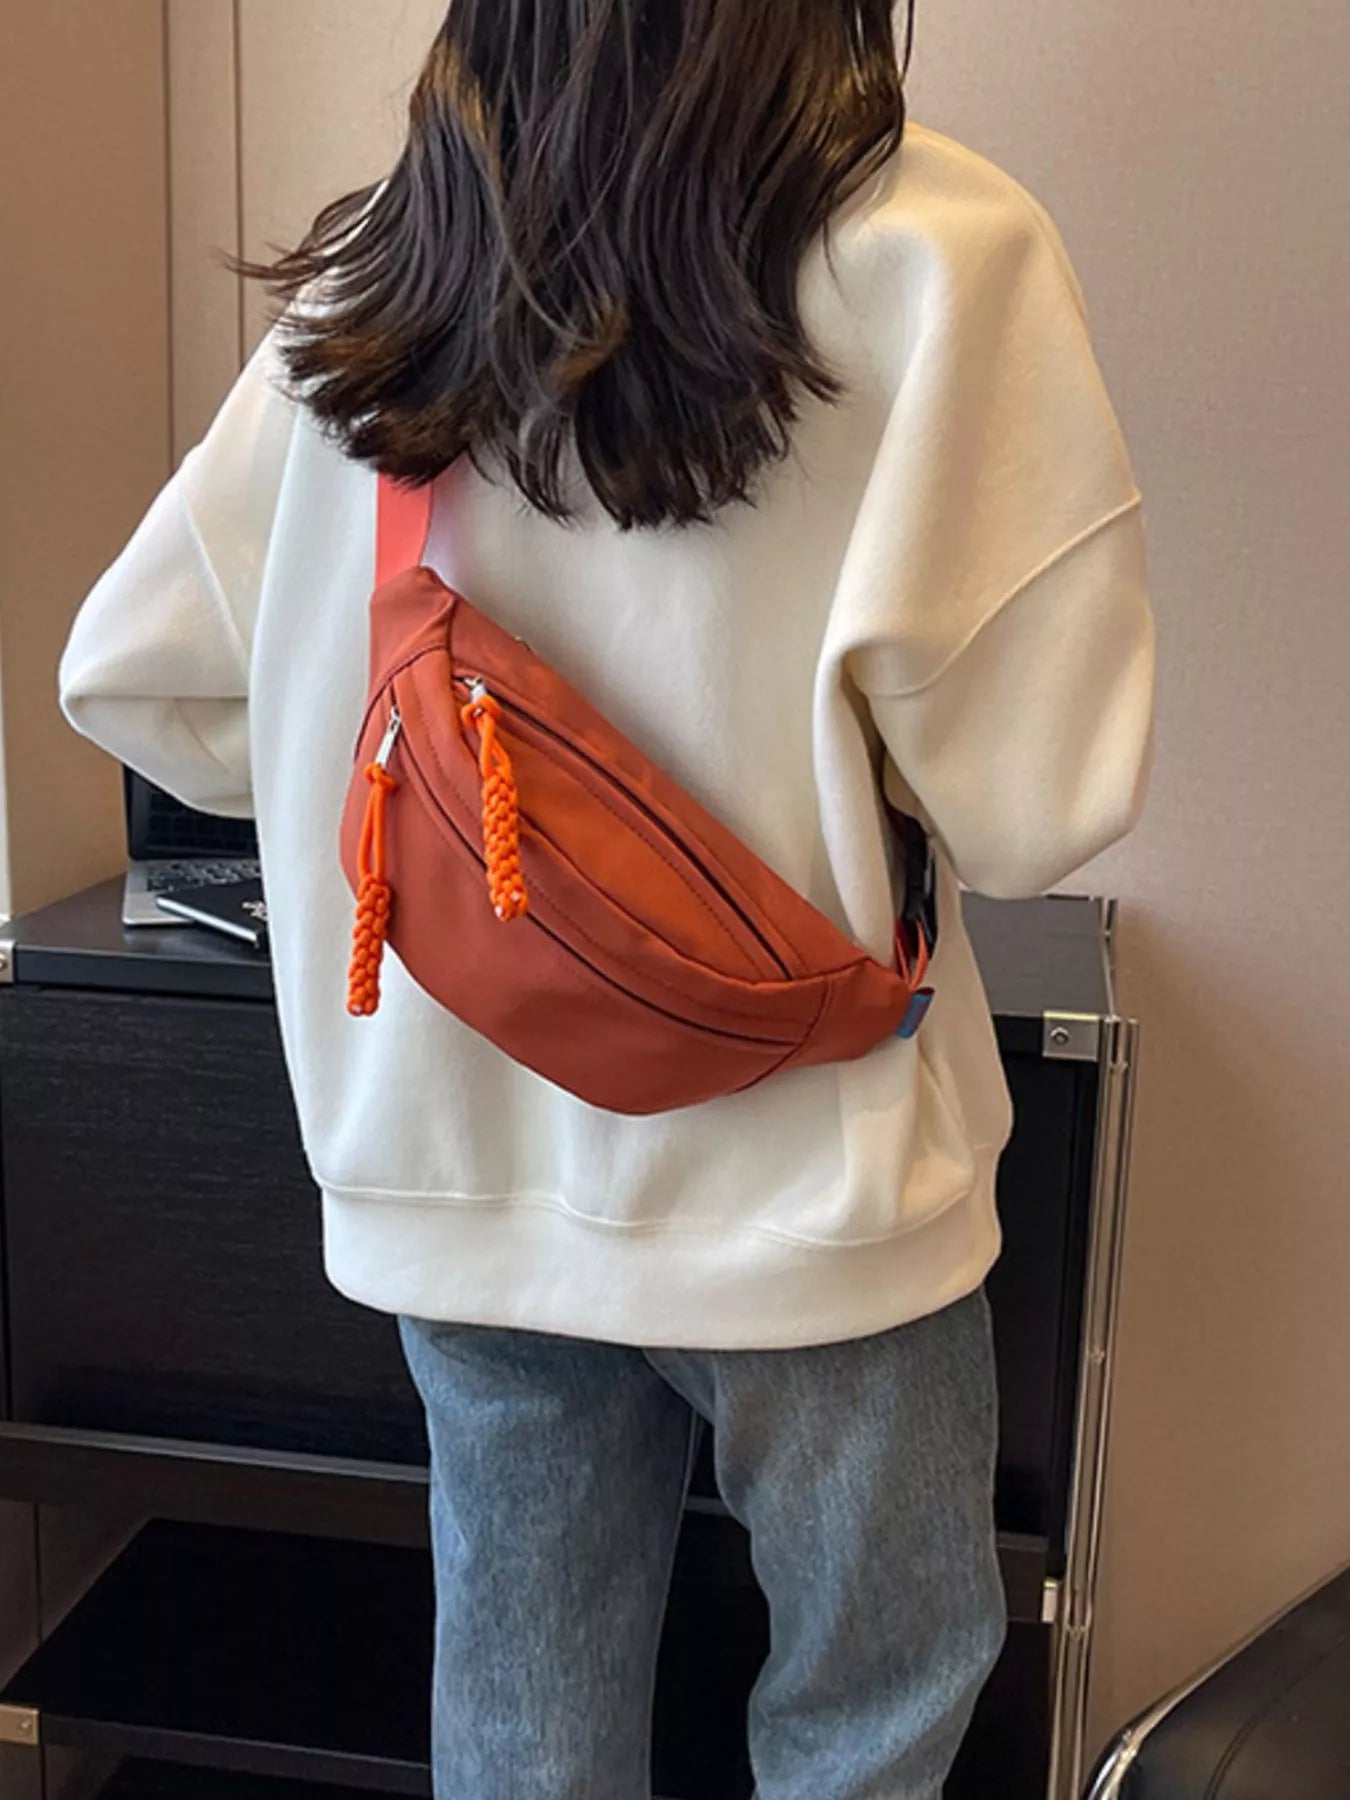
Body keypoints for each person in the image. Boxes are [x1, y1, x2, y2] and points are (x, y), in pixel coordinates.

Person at [57, 2, 1156, 1794]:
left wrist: (430, 777)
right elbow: (1040, 806)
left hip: (455, 1159)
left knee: (522, 1722)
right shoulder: (936, 249)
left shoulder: (377, 279)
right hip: (814, 1174)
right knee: (872, 1705)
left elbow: (139, 681)